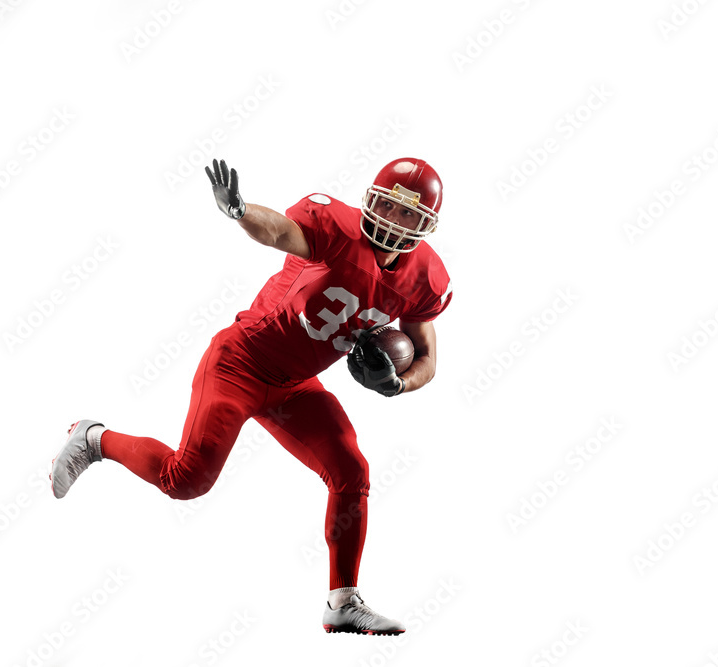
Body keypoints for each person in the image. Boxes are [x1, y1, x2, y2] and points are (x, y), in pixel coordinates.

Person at [50, 157, 453, 635]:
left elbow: (426, 356)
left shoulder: (424, 278)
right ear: (370, 197)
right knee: (186, 481)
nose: (389, 216)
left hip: (296, 386)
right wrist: (241, 211)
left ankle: (343, 600)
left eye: (406, 212)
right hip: (240, 362)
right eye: (386, 202)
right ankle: (94, 438)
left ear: (424, 226)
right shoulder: (336, 228)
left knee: (351, 471)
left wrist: (399, 383)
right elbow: (281, 232)